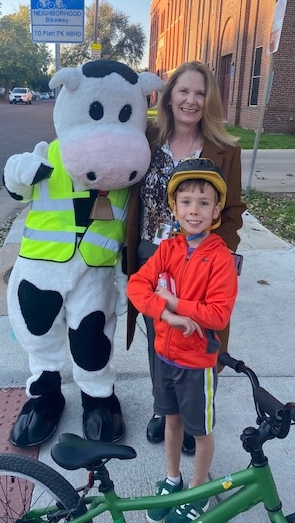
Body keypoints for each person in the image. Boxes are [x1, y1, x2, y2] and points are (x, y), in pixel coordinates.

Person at [125, 61, 246, 451]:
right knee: (159, 334)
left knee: (201, 333)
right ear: (168, 95)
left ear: (208, 101)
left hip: (201, 258)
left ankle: (196, 416)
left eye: (200, 93)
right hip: (151, 251)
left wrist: (219, 254)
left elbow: (233, 211)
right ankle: (165, 410)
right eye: (184, 91)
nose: (191, 100)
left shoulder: (225, 150)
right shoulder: (146, 138)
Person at [127, 158, 238, 523]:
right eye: (186, 201)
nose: (194, 210)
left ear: (216, 209)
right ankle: (173, 480)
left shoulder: (220, 259)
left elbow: (218, 314)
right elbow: (136, 285)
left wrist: (176, 300)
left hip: (197, 366)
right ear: (174, 207)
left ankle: (198, 491)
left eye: (204, 203)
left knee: (201, 432)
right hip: (165, 356)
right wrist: (168, 314)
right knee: (170, 422)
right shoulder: (168, 249)